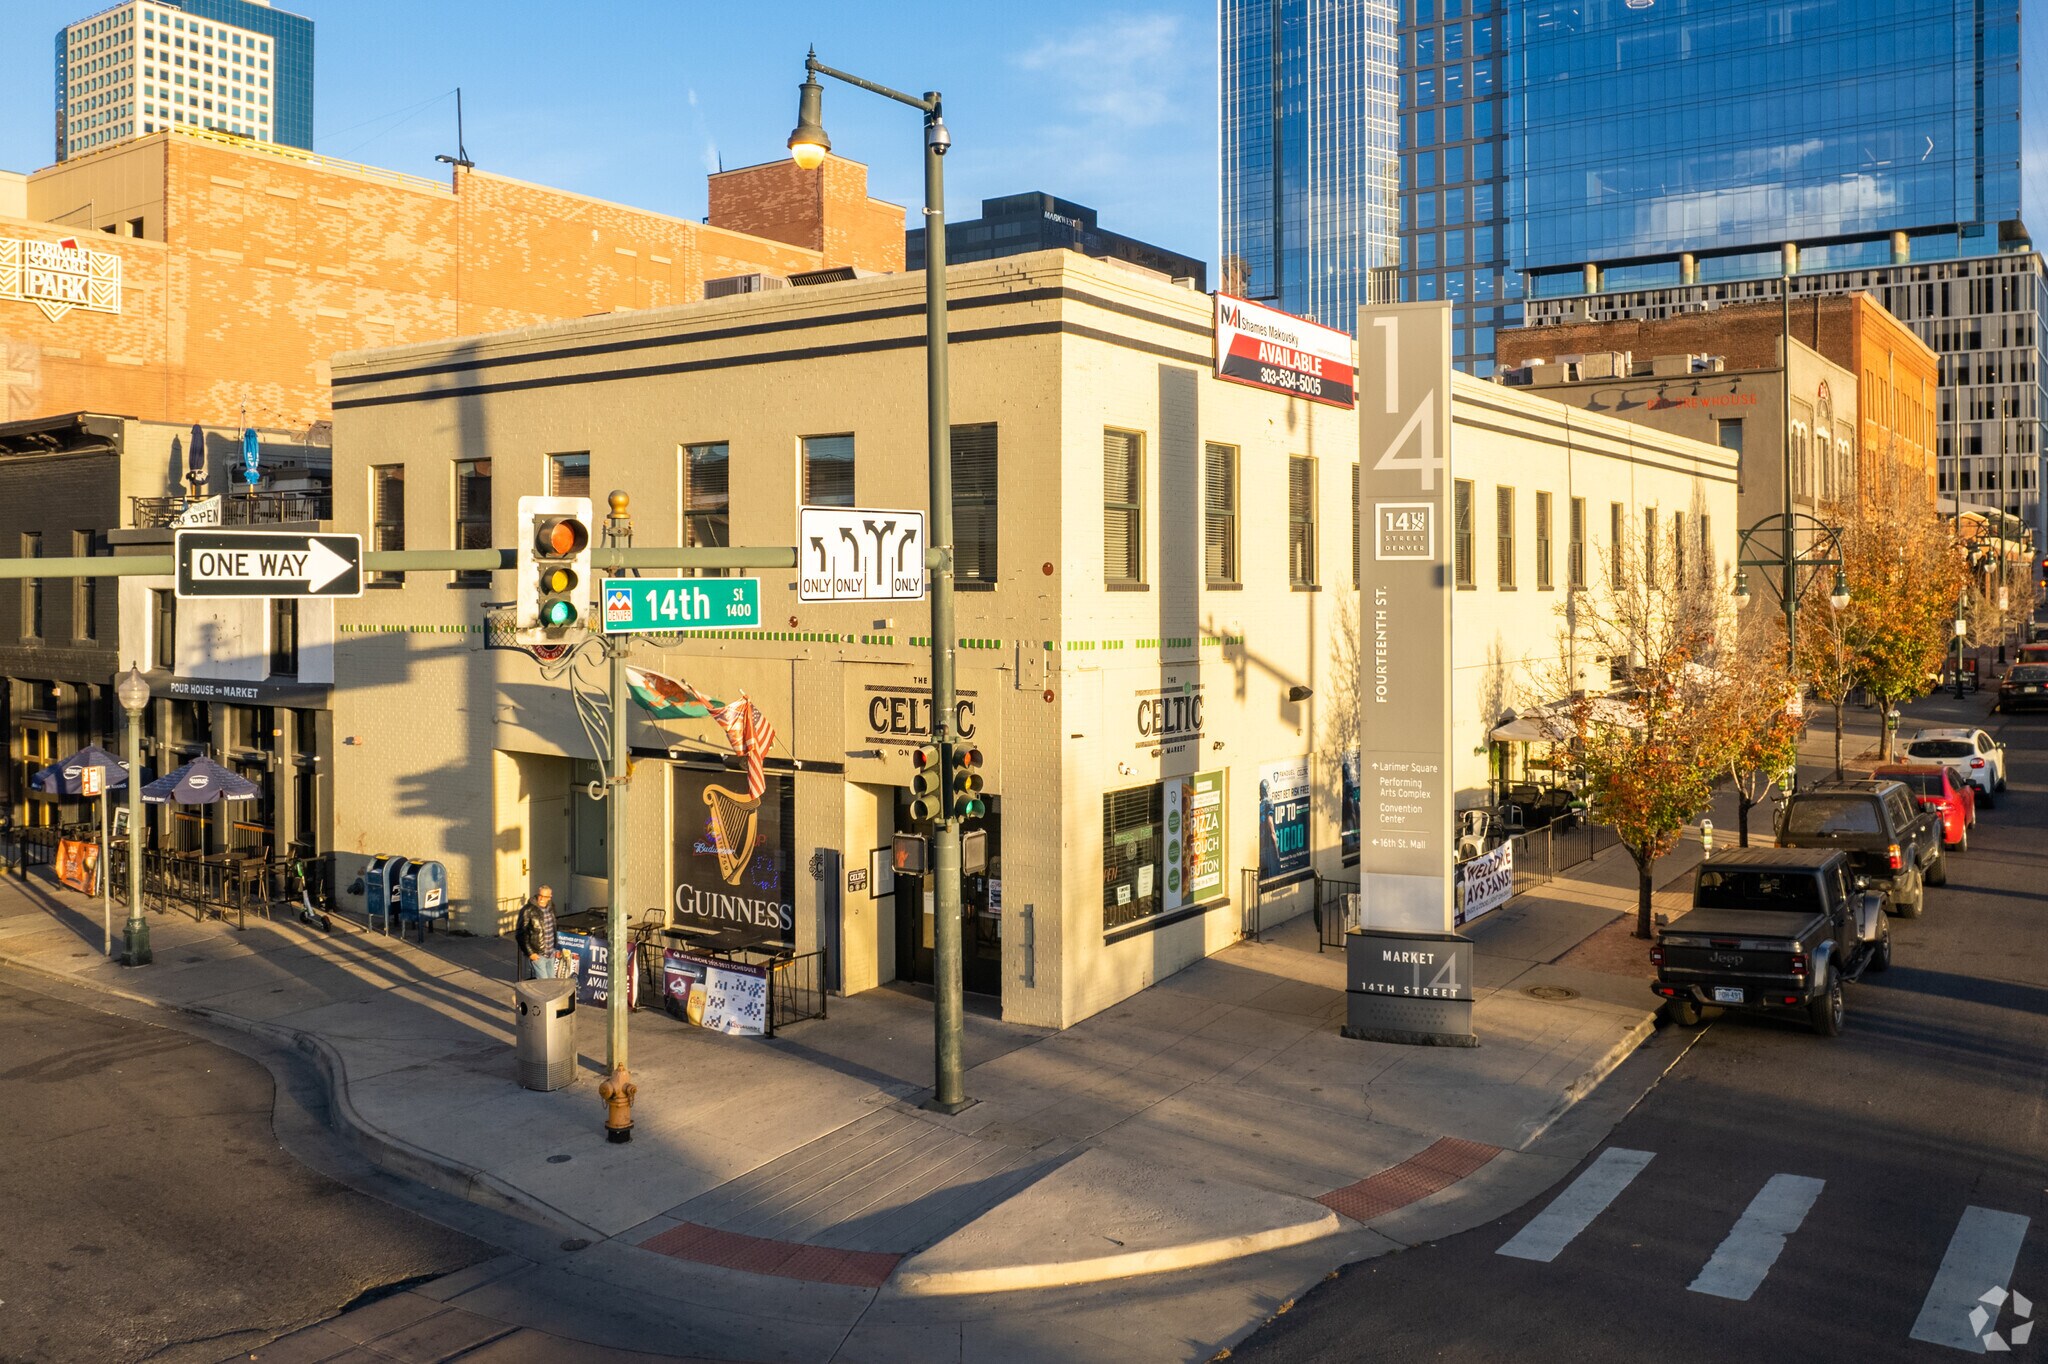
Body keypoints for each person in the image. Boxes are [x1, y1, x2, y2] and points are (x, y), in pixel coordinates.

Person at [517, 885, 558, 979]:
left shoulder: (551, 907)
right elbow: (520, 933)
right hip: (538, 954)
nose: (542, 898)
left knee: (552, 981)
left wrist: (555, 947)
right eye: (540, 895)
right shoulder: (528, 910)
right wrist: (530, 953)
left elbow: (553, 928)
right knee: (543, 985)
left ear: (550, 897)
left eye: (545, 896)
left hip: (551, 952)